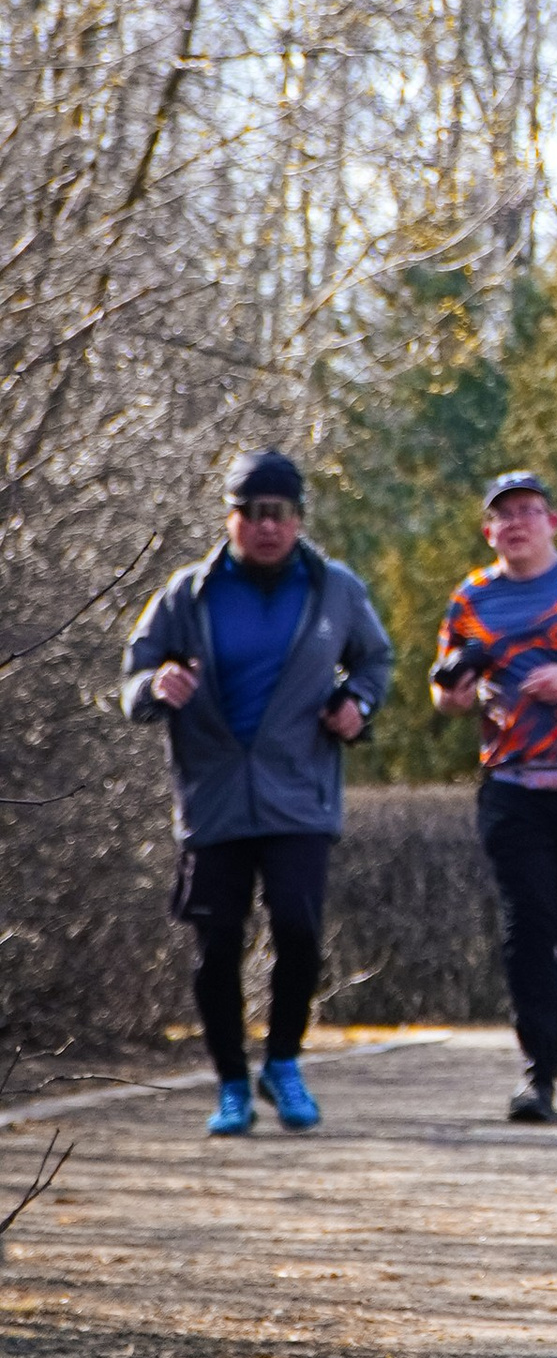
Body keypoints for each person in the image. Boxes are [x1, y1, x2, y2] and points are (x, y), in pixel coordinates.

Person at [119, 451, 393, 1137]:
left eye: (278, 513)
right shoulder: (189, 593)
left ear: (298, 518)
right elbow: (134, 677)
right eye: (250, 512)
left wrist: (357, 703)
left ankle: (284, 1063)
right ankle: (233, 1085)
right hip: (214, 796)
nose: (265, 526)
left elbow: (376, 659)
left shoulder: (334, 589)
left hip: (299, 791)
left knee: (299, 931)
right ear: (230, 517)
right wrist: (156, 688)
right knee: (217, 945)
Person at [429, 471, 557, 1124]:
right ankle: (536, 1072)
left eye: (527, 511)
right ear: (489, 531)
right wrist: (454, 696)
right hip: (513, 784)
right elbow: (446, 689)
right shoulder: (472, 599)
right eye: (502, 515)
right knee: (527, 925)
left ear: (552, 522)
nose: (515, 523)